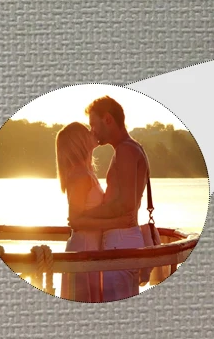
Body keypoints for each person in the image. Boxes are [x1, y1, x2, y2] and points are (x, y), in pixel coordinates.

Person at [69, 96, 149, 302]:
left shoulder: (126, 150)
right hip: (122, 240)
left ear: (107, 119)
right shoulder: (131, 148)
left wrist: (84, 215)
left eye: (93, 124)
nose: (92, 131)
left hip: (120, 242)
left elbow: (125, 205)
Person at [55, 122, 137, 302]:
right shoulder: (80, 176)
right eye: (87, 131)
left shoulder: (87, 172)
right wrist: (116, 223)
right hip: (82, 250)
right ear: (80, 141)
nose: (93, 131)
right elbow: (76, 221)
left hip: (91, 250)